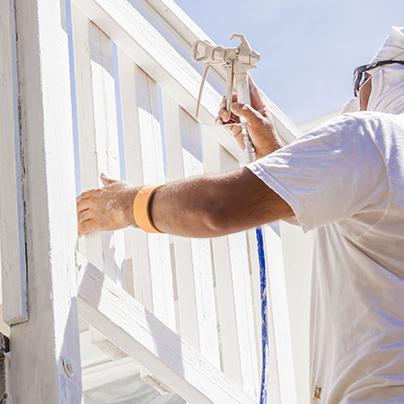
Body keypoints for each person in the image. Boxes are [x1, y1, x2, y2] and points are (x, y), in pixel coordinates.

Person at [77, 27, 404, 403]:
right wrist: (273, 153)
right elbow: (359, 215)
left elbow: (215, 208)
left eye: (363, 77)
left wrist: (127, 205)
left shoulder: (375, 136)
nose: (359, 95)